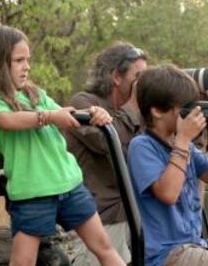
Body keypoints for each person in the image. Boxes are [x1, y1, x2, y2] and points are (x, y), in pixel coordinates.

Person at [0, 24, 126, 266]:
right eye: (19, 60)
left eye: (28, 59)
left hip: (69, 184)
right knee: (23, 261)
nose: (27, 66)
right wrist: (48, 117)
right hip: (33, 193)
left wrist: (93, 113)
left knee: (104, 247)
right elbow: (7, 120)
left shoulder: (36, 94)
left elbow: (65, 114)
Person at [128, 65, 208, 266]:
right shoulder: (142, 146)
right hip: (165, 255)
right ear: (158, 111)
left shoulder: (183, 146)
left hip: (195, 247)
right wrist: (184, 139)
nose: (192, 115)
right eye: (185, 109)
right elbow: (168, 194)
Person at [64, 42, 148, 264]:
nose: (143, 84)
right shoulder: (84, 103)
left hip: (132, 217)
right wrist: (132, 108)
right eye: (138, 77)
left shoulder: (139, 113)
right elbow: (108, 142)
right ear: (116, 77)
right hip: (98, 222)